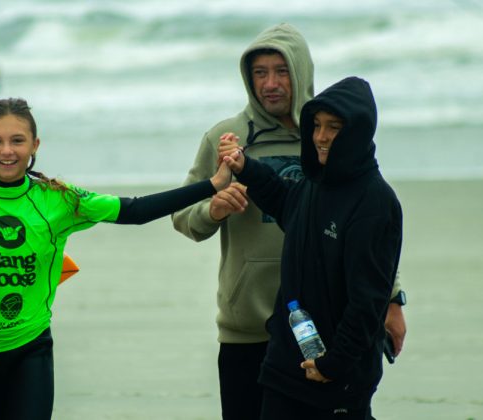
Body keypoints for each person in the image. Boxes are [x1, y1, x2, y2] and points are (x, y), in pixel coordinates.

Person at [0, 98, 233, 420]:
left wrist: (212, 185)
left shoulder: (58, 198)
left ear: (35, 145)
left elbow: (134, 211)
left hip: (31, 346)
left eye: (17, 141)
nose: (7, 151)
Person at [171, 23, 407, 419]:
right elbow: (185, 218)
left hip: (328, 329)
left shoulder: (337, 143)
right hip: (249, 323)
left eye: (281, 71)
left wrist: (393, 297)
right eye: (259, 73)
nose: (271, 84)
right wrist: (213, 208)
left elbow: (373, 248)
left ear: (301, 71)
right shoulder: (226, 138)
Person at [221, 76, 402, 419]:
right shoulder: (314, 184)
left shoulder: (375, 203)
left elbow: (368, 301)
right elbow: (282, 198)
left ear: (358, 131)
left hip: (336, 377)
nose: (320, 136)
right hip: (285, 365)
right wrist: (244, 167)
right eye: (316, 125)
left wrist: (332, 364)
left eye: (333, 127)